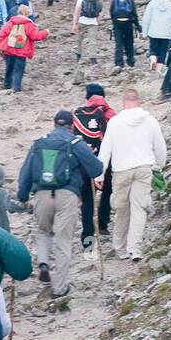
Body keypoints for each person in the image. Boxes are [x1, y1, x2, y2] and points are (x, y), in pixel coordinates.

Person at [17, 110, 103, 298]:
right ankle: (60, 288)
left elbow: (26, 170)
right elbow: (97, 168)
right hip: (67, 194)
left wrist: (23, 195)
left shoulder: (39, 143)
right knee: (63, 241)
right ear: (72, 126)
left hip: (41, 194)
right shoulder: (75, 143)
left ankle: (44, 262)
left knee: (43, 231)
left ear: (54, 123)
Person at [97, 89, 167, 262]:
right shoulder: (150, 121)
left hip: (121, 170)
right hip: (143, 168)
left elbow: (106, 149)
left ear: (123, 103)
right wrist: (159, 164)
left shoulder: (115, 122)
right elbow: (160, 146)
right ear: (139, 101)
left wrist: (99, 174)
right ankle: (134, 248)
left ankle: (120, 248)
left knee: (122, 209)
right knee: (139, 208)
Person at [73, 86, 116, 249]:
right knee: (106, 192)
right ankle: (103, 225)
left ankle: (88, 237)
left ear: (87, 98)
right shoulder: (111, 114)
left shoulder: (78, 114)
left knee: (87, 200)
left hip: (84, 163)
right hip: (107, 163)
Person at [0, 10, 48, 93]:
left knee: (9, 68)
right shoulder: (29, 24)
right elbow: (36, 36)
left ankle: (7, 86)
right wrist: (45, 32)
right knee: (19, 70)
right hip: (22, 52)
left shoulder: (10, 22)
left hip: (9, 49)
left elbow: (2, 34)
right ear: (27, 14)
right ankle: (16, 89)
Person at [142, 0, 171, 68]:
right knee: (163, 51)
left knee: (153, 49)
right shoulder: (169, 3)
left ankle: (153, 60)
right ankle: (159, 68)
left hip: (154, 32)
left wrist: (144, 33)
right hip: (166, 33)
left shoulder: (152, 3)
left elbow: (146, 19)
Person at [110, 0, 140, 72]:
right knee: (129, 43)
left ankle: (119, 63)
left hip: (117, 24)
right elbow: (134, 13)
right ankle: (130, 61)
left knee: (119, 44)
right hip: (128, 23)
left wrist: (114, 22)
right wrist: (137, 25)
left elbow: (111, 12)